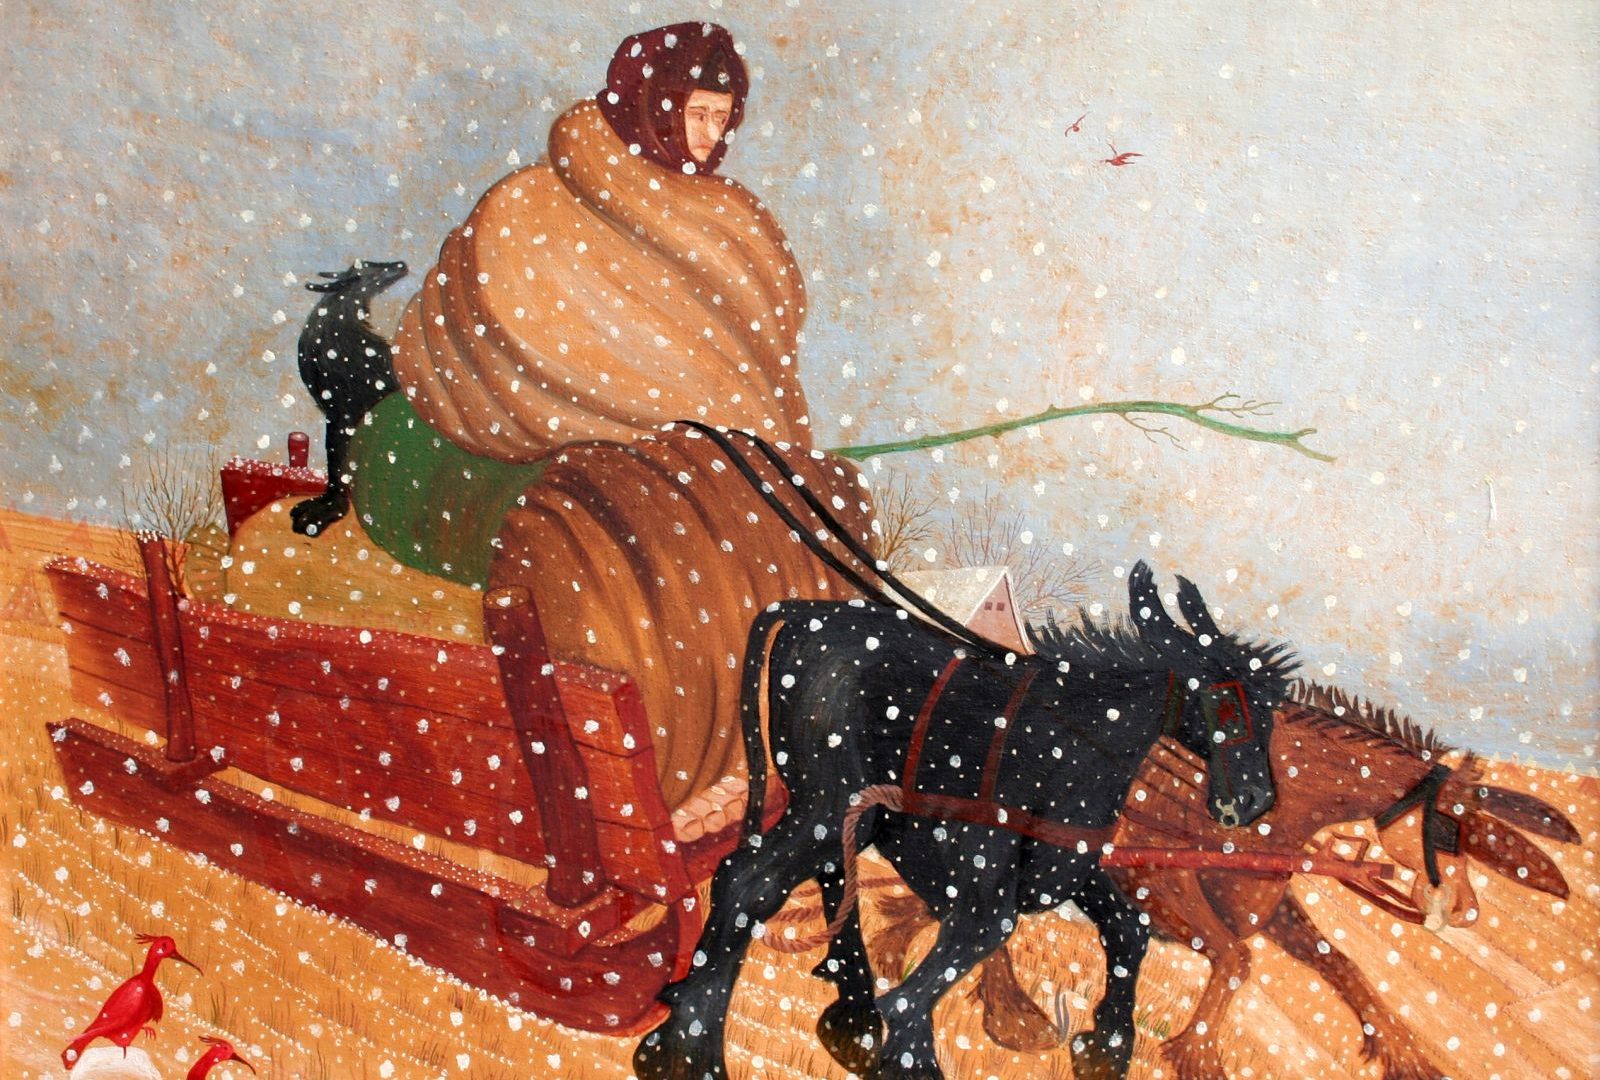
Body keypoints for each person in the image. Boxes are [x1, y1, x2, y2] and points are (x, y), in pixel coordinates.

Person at [338, 23, 872, 809]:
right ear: (652, 106)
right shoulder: (533, 209)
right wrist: (637, 419)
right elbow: (511, 340)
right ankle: (661, 769)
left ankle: (774, 746)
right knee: (634, 551)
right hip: (552, 467)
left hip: (699, 466)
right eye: (695, 114)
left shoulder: (733, 223)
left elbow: (749, 366)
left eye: (722, 118)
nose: (709, 136)